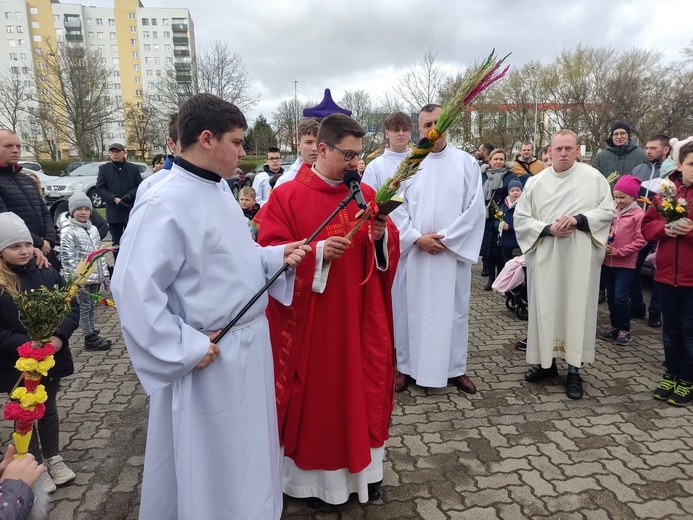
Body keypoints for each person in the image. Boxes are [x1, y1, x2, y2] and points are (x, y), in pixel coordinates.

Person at [111, 93, 309, 520]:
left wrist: (275, 257)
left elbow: (235, 260)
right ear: (206, 139)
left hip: (249, 348)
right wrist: (183, 346)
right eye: (237, 142)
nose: (243, 152)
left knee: (248, 454)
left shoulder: (217, 187)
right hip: (209, 356)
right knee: (215, 463)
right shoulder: (164, 200)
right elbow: (132, 288)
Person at [257, 113, 399, 506]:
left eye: (359, 155)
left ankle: (365, 473)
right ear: (321, 149)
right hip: (314, 322)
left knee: (363, 387)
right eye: (349, 155)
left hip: (360, 316)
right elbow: (267, 254)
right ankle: (315, 485)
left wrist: (382, 235)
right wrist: (316, 254)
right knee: (322, 399)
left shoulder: (365, 194)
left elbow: (388, 246)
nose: (356, 164)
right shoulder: (286, 196)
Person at [514, 130, 615, 400]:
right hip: (547, 258)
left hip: (579, 260)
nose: (563, 153)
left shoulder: (593, 178)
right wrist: (548, 229)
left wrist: (579, 220)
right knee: (546, 309)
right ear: (549, 150)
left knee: (575, 310)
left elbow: (608, 211)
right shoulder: (536, 182)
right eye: (558, 149)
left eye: (568, 148)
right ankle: (548, 364)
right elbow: (521, 219)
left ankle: (574, 370)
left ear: (577, 149)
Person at [392, 104, 485, 394]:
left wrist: (446, 239)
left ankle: (455, 369)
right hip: (417, 253)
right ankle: (406, 368)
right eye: (426, 123)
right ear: (419, 130)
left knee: (453, 312)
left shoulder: (466, 163)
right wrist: (416, 237)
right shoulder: (409, 163)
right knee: (411, 312)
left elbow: (475, 209)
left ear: (447, 125)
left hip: (449, 255)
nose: (433, 128)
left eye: (438, 122)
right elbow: (396, 207)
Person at [0, 212, 78, 493]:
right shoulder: (3, 283)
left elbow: (70, 305)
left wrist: (58, 337)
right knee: (25, 413)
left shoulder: (46, 270)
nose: (22, 251)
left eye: (25, 244)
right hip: (15, 365)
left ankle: (53, 457)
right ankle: (31, 463)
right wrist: (25, 346)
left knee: (48, 409)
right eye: (13, 246)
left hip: (50, 360)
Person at [643, 141, 693, 406]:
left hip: (691, 279)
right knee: (670, 331)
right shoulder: (666, 193)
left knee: (689, 332)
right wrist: (664, 229)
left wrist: (689, 231)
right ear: (680, 165)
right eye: (691, 164)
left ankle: (688, 379)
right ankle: (671, 374)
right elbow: (647, 226)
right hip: (666, 275)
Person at [60, 192, 112, 352]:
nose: (83, 212)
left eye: (86, 209)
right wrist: (74, 281)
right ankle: (89, 337)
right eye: (79, 209)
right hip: (81, 279)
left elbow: (99, 252)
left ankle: (92, 331)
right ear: (72, 211)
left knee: (91, 306)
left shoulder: (93, 229)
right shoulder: (69, 232)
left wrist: (105, 274)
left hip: (95, 277)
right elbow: (68, 259)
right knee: (84, 307)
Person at [599, 175, 647, 345]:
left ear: (633, 196)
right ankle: (614, 326)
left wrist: (619, 251)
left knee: (620, 296)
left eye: (622, 197)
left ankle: (625, 329)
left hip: (624, 264)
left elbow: (641, 240)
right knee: (611, 296)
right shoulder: (612, 209)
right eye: (616, 196)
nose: (618, 200)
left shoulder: (638, 215)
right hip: (607, 261)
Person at [629, 134, 670, 327]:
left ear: (666, 150)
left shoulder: (670, 172)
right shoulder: (638, 169)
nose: (648, 151)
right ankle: (637, 305)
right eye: (647, 147)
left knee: (658, 271)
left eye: (653, 148)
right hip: (640, 226)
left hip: (661, 229)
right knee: (633, 267)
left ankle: (655, 311)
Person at [0, 130, 55, 267]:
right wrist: (36, 243)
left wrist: (48, 239)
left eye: (18, 146)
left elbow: (45, 212)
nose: (15, 150)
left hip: (45, 253)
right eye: (8, 146)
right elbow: (4, 220)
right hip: (16, 257)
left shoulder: (27, 179)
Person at [95, 143, 142, 255]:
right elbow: (100, 189)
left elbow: (140, 186)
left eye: (117, 151)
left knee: (133, 241)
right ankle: (118, 267)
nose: (115, 154)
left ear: (123, 153)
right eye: (112, 152)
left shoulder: (133, 169)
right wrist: (114, 198)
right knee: (116, 244)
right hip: (114, 212)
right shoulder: (104, 169)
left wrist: (130, 195)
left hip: (130, 210)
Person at [480, 149, 517, 290]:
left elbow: (514, 193)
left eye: (501, 159)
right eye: (495, 159)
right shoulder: (483, 175)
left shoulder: (510, 176)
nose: (498, 162)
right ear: (490, 160)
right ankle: (491, 278)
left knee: (500, 248)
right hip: (486, 216)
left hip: (502, 216)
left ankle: (502, 278)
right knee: (488, 250)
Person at [362, 111, 413, 191]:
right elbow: (368, 199)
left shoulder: (422, 162)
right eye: (396, 130)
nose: (401, 133)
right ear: (387, 133)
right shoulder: (374, 167)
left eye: (405, 130)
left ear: (410, 132)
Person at [274, 118, 320, 189]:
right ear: (298, 145)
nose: (315, 148)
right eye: (309, 142)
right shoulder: (285, 181)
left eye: (318, 143)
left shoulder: (333, 178)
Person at [498, 178, 523, 263]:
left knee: (517, 266)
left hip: (517, 242)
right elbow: (496, 220)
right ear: (508, 192)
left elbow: (524, 223)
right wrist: (499, 225)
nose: (515, 192)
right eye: (512, 190)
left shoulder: (524, 206)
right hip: (504, 242)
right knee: (507, 264)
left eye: (518, 190)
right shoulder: (503, 206)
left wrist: (509, 227)